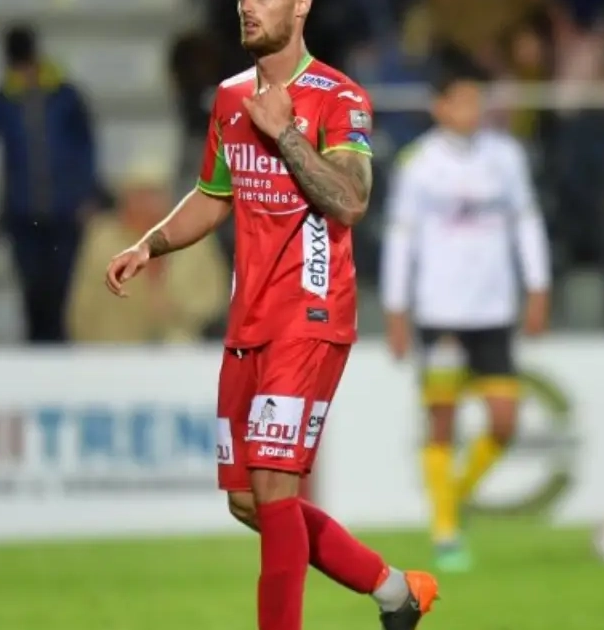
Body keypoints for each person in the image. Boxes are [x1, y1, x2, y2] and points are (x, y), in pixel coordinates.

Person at [103, 1, 438, 629]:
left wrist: (285, 133)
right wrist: (150, 244)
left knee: (274, 485)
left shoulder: (340, 98)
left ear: (301, 5)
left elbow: (352, 201)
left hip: (309, 316)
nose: (247, 6)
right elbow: (213, 196)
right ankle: (396, 591)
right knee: (247, 499)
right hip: (249, 321)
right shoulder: (230, 98)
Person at [380, 66, 551, 572]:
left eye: (478, 101)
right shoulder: (419, 163)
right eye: (462, 101)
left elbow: (526, 221)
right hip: (440, 311)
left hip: (493, 309)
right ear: (440, 107)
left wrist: (538, 287)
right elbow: (400, 236)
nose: (473, 111)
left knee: (504, 422)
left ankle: (451, 499)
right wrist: (396, 309)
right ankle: (446, 533)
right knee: (442, 420)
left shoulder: (506, 156)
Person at [0, 23, 111, 344]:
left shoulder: (65, 97)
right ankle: (38, 349)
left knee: (62, 289)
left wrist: (88, 193)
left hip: (64, 211)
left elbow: (87, 147)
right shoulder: (3, 101)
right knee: (32, 289)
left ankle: (57, 349)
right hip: (22, 214)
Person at [67, 159, 229, 344]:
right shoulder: (102, 237)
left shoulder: (196, 234)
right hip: (114, 348)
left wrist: (175, 307)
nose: (148, 204)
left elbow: (216, 297)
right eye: (139, 195)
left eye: (155, 194)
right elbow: (81, 308)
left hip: (183, 348)